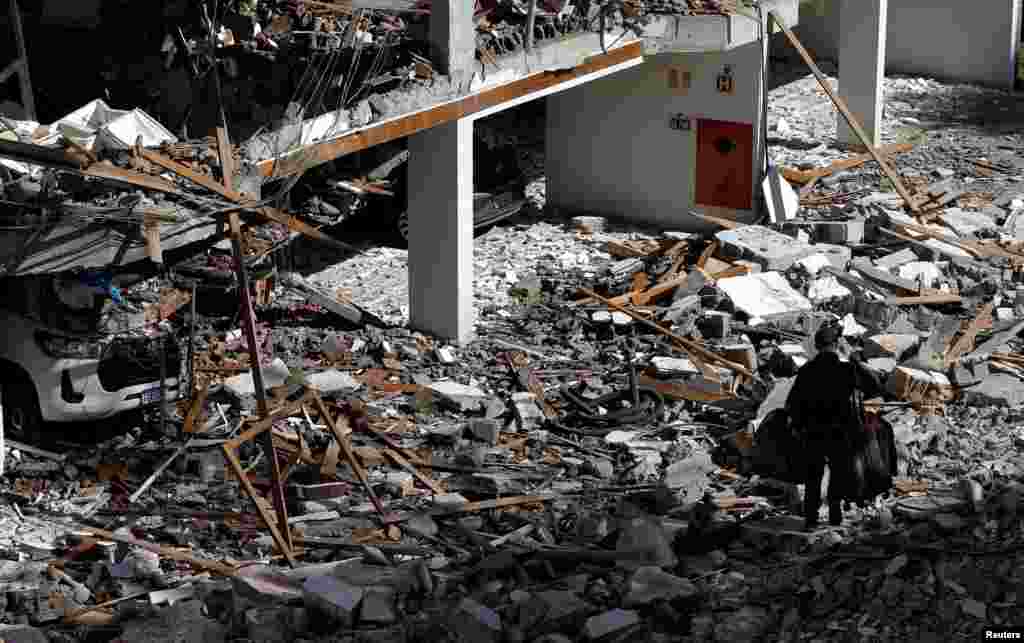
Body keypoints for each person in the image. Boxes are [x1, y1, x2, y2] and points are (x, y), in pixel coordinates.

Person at [785, 319, 883, 529]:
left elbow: (792, 404)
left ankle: (810, 519)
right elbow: (874, 387)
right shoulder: (845, 370)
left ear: (818, 346)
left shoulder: (807, 371)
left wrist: (798, 426)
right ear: (836, 345)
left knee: (813, 475)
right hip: (840, 430)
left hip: (812, 431)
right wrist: (855, 360)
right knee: (839, 472)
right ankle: (835, 516)